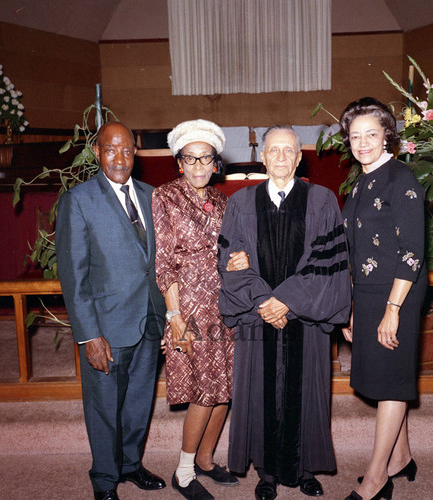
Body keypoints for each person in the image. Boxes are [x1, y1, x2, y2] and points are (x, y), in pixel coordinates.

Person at [217, 125, 352, 500]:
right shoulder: (241, 203)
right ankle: (266, 472)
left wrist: (287, 301)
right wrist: (264, 301)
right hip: (257, 318)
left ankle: (305, 468)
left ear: (298, 157)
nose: (279, 156)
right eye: (273, 150)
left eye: (287, 150)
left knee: (307, 389)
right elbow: (230, 261)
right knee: (260, 390)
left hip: (305, 319)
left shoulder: (322, 200)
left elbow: (326, 262)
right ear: (263, 157)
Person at [56, 122, 167, 500]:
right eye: (110, 150)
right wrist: (89, 335)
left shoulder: (152, 196)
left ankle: (131, 465)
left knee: (139, 401)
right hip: (105, 328)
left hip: (148, 321)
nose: (119, 158)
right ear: (96, 152)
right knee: (104, 408)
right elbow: (74, 276)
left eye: (126, 151)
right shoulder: (79, 201)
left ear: (136, 153)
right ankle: (105, 480)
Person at [152, 119, 249, 500]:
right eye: (189, 159)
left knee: (226, 388)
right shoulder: (165, 196)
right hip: (189, 307)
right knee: (203, 392)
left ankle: (207, 460)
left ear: (215, 163)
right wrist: (175, 318)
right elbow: (164, 263)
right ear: (179, 163)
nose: (197, 167)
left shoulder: (225, 201)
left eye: (204, 159)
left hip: (225, 304)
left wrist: (239, 259)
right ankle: (184, 471)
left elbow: (230, 251)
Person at [339, 97, 428, 500]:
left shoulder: (401, 177)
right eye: (355, 136)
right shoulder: (360, 183)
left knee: (391, 384)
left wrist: (392, 310)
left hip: (399, 292)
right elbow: (356, 252)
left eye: (371, 134)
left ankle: (377, 478)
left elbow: (412, 250)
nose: (362, 143)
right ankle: (401, 456)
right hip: (370, 293)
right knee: (388, 375)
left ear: (387, 135)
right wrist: (354, 307)